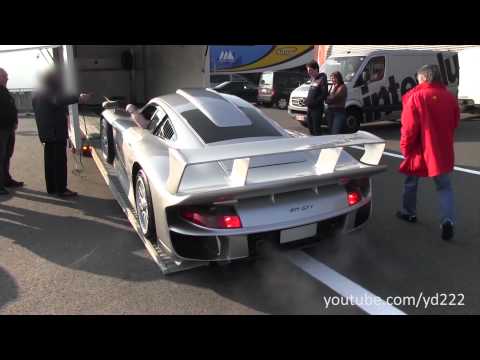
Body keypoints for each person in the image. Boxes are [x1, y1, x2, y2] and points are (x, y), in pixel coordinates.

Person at [396, 64, 460, 241]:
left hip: (419, 149)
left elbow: (408, 129)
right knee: (444, 187)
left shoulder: (416, 97)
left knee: (411, 181)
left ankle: (409, 212)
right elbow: (454, 123)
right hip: (442, 149)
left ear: (423, 78)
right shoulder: (449, 96)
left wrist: (405, 148)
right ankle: (448, 220)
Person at [32, 68, 90, 197]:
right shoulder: (50, 91)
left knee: (50, 161)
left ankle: (52, 187)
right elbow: (58, 100)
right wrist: (78, 98)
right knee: (59, 161)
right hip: (55, 131)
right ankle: (61, 189)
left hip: (47, 131)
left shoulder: (38, 91)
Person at [0, 68, 23, 195]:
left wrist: (14, 122)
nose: (7, 79)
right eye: (4, 76)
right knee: (0, 156)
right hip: (1, 129)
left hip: (8, 129)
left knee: (7, 155)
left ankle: (6, 180)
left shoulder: (4, 90)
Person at [305, 60, 328, 136]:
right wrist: (307, 100)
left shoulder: (322, 79)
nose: (309, 72)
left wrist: (314, 102)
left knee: (316, 129)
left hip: (317, 109)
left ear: (316, 69)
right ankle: (312, 144)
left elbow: (324, 94)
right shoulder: (313, 79)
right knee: (310, 127)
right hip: (310, 108)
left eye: (310, 70)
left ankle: (318, 145)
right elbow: (312, 92)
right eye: (308, 70)